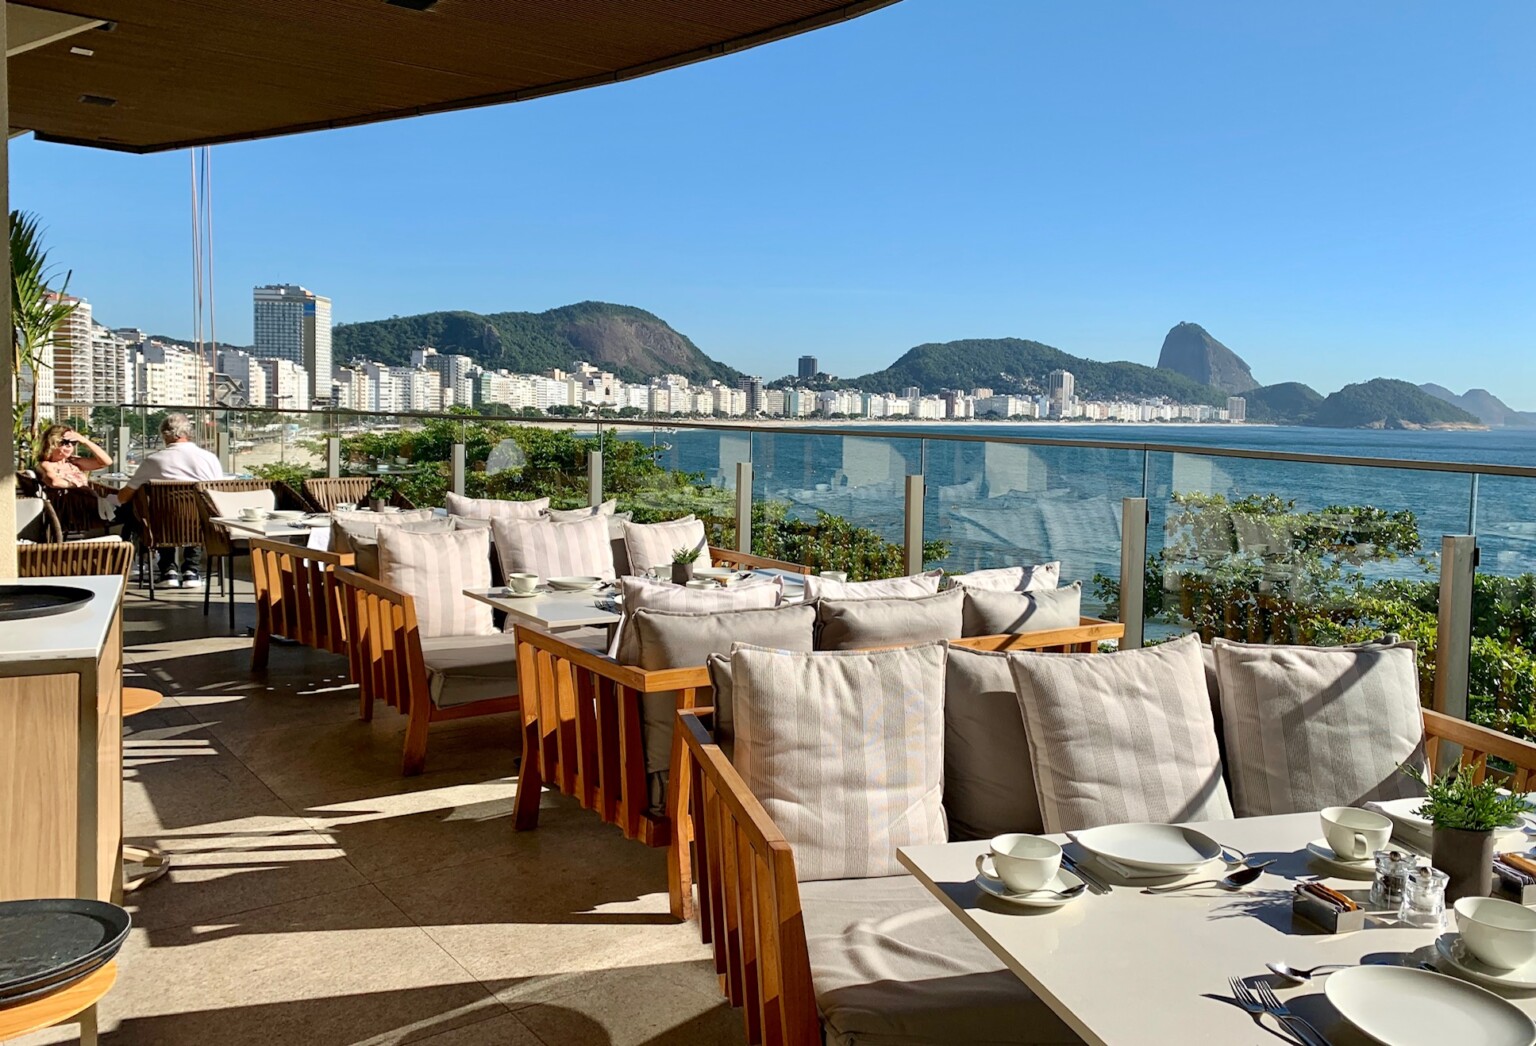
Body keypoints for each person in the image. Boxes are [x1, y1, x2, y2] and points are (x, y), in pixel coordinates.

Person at [119, 413, 223, 588]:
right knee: (196, 514)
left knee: (158, 514)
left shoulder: (154, 460)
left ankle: (168, 571)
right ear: (189, 433)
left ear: (164, 435)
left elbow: (123, 497)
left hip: (163, 526)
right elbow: (218, 494)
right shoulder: (209, 458)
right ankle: (191, 571)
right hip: (199, 525)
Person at [35, 424, 113, 489]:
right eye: (65, 442)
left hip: (86, 502)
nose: (70, 445)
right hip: (72, 505)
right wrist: (78, 485)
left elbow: (106, 462)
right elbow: (55, 482)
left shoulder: (72, 461)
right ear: (51, 443)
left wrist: (85, 441)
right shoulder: (46, 465)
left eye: (73, 442)